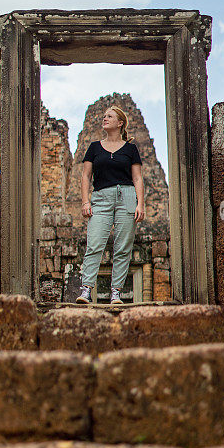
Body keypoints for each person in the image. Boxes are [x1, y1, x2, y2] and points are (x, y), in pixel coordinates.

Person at [76, 105, 145, 305]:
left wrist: (140, 204)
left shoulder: (131, 149)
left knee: (123, 246)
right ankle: (86, 290)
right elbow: (86, 176)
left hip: (127, 196)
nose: (104, 118)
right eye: (104, 116)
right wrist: (85, 201)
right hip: (100, 198)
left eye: (109, 116)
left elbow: (138, 178)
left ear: (120, 123)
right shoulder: (94, 147)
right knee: (95, 243)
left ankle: (116, 292)